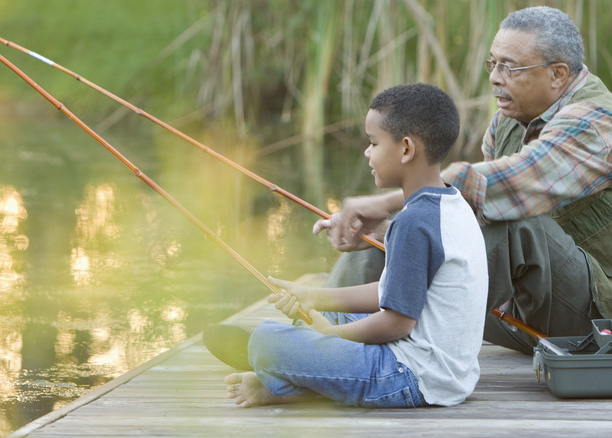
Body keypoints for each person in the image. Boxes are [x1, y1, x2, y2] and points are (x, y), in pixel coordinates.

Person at [313, 6, 612, 355]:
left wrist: (384, 202)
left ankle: (351, 346)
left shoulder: (595, 124)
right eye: (493, 64)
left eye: (511, 67)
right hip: (529, 316)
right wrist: (389, 230)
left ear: (558, 74)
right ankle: (307, 335)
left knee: (513, 224)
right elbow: (464, 221)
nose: (495, 78)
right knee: (396, 234)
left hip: (611, 319)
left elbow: (510, 187)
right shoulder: (506, 122)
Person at [206, 83, 488, 408]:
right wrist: (313, 297)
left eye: (373, 143)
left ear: (407, 149)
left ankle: (276, 368)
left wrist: (328, 337)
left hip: (411, 376)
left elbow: (396, 323)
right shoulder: (450, 204)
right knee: (321, 316)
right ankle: (286, 376)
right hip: (449, 372)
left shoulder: (413, 223)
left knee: (269, 341)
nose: (367, 152)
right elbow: (390, 292)